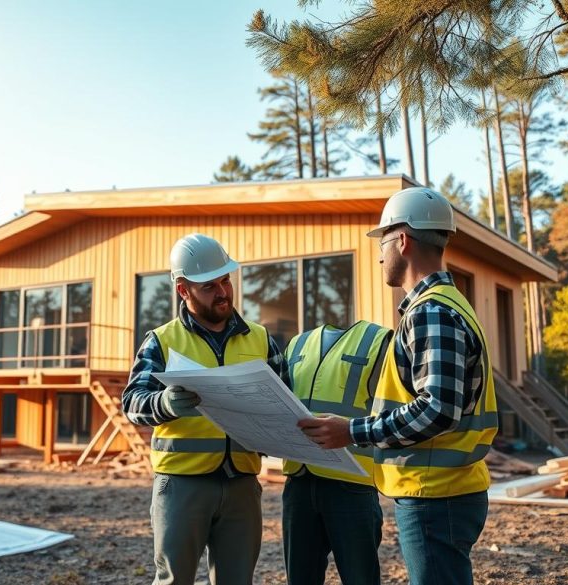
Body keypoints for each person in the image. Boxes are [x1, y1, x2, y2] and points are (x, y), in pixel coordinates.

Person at [297, 187, 499, 585]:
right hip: (446, 489)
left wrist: (351, 431)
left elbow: (437, 409)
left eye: (383, 242)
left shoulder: (431, 313)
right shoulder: (447, 305)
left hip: (435, 493)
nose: (378, 255)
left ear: (403, 240)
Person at [122, 232, 288, 585]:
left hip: (242, 483)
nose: (223, 292)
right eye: (210, 286)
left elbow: (285, 400)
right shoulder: (162, 340)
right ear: (184, 290)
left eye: (226, 280)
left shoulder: (259, 338)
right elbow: (132, 402)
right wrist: (162, 403)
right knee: (174, 580)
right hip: (182, 485)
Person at [280, 320, 391, 585]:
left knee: (360, 578)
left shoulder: (379, 342)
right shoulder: (296, 344)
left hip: (352, 484)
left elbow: (393, 412)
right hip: (299, 481)